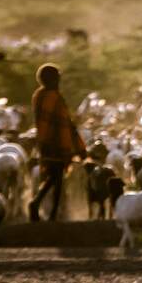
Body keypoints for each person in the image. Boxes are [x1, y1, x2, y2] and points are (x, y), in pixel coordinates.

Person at [28, 63, 86, 222]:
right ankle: (42, 208)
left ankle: (48, 210)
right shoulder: (53, 96)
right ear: (51, 79)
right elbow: (64, 122)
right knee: (56, 178)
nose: (59, 80)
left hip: (46, 142)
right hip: (55, 144)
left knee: (55, 178)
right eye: (57, 78)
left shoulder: (38, 95)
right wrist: (78, 147)